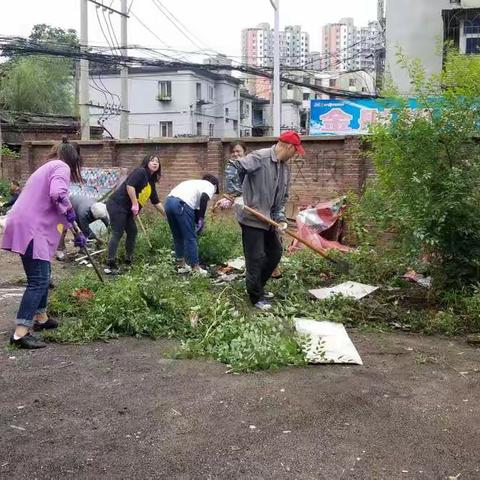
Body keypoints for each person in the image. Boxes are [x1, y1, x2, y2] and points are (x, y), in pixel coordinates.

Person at [2, 139, 86, 349]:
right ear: (74, 159)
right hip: (32, 227)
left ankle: (41, 318)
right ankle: (20, 333)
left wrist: (75, 228)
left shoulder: (47, 167)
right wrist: (69, 212)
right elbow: (58, 195)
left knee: (43, 273)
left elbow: (55, 203)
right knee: (38, 280)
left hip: (25, 223)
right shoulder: (61, 166)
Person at [218, 131, 304, 310]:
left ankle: (258, 286)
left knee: (274, 253)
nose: (295, 155)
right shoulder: (260, 157)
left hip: (269, 218)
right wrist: (237, 194)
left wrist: (281, 219)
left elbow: (282, 197)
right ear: (289, 147)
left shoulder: (284, 168)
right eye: (295, 151)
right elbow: (233, 166)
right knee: (256, 257)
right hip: (252, 217)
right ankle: (255, 297)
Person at [106, 154, 164, 273]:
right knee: (118, 232)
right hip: (117, 204)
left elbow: (156, 201)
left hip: (127, 209)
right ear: (146, 162)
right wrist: (135, 203)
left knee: (132, 231)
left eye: (157, 162)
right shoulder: (140, 172)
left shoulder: (151, 182)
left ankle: (128, 261)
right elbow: (130, 185)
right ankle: (111, 263)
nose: (155, 163)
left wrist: (167, 215)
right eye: (152, 160)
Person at [164, 174, 219, 275]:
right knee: (190, 237)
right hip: (182, 204)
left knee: (178, 236)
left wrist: (198, 220)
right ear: (215, 185)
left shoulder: (193, 184)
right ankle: (196, 268)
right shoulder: (210, 185)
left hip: (168, 203)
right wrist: (202, 218)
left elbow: (195, 209)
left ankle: (181, 266)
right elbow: (204, 198)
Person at [56, 196, 110, 260]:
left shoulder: (99, 208)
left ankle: (81, 247)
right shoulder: (83, 213)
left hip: (79, 205)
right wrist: (98, 239)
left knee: (80, 233)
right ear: (94, 216)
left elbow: (107, 224)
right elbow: (85, 229)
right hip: (69, 208)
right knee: (65, 229)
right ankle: (60, 249)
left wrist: (110, 234)